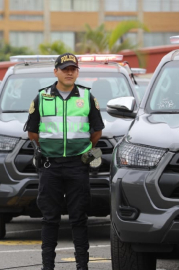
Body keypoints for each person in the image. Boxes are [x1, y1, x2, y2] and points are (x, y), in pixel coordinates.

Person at [24, 53, 104, 270]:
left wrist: (84, 150)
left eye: (73, 69)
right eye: (65, 69)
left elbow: (97, 131)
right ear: (56, 71)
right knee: (50, 218)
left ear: (77, 72)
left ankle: (82, 266)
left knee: (79, 217)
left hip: (78, 165)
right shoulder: (42, 97)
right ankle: (47, 266)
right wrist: (50, 149)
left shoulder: (87, 97)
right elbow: (32, 132)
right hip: (51, 166)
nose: (69, 72)